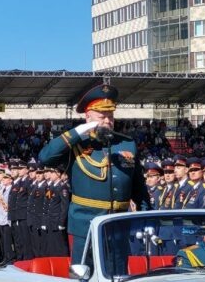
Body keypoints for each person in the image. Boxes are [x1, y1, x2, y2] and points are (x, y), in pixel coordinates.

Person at [38, 84, 150, 261]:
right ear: (88, 116)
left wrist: (146, 218)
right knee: (84, 276)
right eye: (101, 116)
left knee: (118, 276)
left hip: (118, 225)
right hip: (85, 226)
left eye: (110, 116)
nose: (107, 121)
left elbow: (138, 188)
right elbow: (45, 158)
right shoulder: (76, 142)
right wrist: (79, 131)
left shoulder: (126, 144)